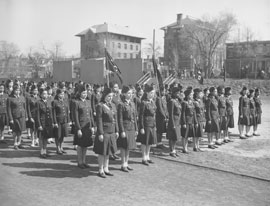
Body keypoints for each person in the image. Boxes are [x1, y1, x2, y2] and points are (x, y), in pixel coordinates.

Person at [93, 88, 119, 178]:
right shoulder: (100, 106)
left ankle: (106, 168)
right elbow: (99, 120)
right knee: (102, 151)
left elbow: (116, 119)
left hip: (111, 130)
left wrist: (116, 130)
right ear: (104, 96)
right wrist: (100, 133)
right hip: (104, 131)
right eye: (108, 96)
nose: (110, 98)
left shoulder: (113, 105)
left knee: (108, 151)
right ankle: (100, 169)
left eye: (111, 96)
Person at [117, 85, 138, 172]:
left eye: (131, 93)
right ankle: (123, 164)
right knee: (123, 146)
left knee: (128, 146)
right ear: (124, 94)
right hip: (125, 127)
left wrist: (136, 129)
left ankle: (126, 163)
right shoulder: (121, 105)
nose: (130, 95)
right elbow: (120, 119)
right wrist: (122, 130)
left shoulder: (132, 104)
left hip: (131, 127)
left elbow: (134, 117)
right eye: (128, 93)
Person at [73, 85, 95, 168]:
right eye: (83, 93)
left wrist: (92, 126)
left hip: (87, 126)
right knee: (80, 145)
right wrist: (78, 129)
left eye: (86, 93)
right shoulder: (76, 102)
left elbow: (91, 115)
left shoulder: (88, 102)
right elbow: (75, 117)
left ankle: (84, 161)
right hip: (81, 127)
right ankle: (80, 162)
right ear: (79, 93)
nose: (85, 94)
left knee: (85, 145)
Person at [137, 85, 157, 165]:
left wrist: (155, 125)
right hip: (146, 123)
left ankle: (148, 156)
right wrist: (141, 127)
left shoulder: (152, 102)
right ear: (147, 93)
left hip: (152, 123)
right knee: (145, 141)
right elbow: (141, 115)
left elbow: (154, 114)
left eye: (153, 93)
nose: (152, 94)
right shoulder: (143, 103)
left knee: (150, 141)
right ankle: (143, 157)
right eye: (151, 93)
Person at [7, 84, 27, 150]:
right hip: (15, 116)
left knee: (20, 130)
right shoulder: (10, 98)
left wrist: (26, 116)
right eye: (16, 90)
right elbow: (8, 109)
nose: (17, 91)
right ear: (13, 91)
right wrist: (10, 118)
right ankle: (15, 144)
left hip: (22, 116)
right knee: (15, 130)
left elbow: (25, 107)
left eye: (19, 90)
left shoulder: (22, 97)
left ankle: (19, 143)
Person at [52, 88, 71, 155]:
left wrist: (68, 120)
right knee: (58, 135)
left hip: (64, 120)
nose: (62, 95)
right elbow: (53, 113)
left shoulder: (65, 101)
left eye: (63, 94)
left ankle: (61, 147)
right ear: (57, 94)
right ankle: (58, 148)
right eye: (61, 94)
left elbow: (67, 112)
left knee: (62, 134)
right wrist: (55, 122)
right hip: (58, 120)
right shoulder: (55, 102)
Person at [36, 88, 53, 158]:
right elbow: (37, 115)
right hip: (42, 122)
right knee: (41, 138)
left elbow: (50, 113)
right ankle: (41, 152)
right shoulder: (38, 103)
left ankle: (45, 151)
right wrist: (39, 124)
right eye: (43, 94)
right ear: (40, 95)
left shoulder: (49, 102)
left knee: (46, 137)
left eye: (46, 93)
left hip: (48, 122)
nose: (45, 95)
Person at [181, 88, 198, 153]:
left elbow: (194, 113)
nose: (192, 95)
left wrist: (195, 121)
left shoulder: (192, 103)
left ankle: (186, 147)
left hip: (192, 120)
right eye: (191, 94)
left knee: (188, 135)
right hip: (186, 120)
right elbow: (183, 113)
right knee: (184, 135)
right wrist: (183, 122)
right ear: (187, 95)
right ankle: (184, 148)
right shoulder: (184, 103)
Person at [166, 87, 182, 157]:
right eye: (177, 93)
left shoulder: (177, 101)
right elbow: (171, 113)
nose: (178, 94)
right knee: (172, 136)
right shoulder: (171, 101)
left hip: (178, 120)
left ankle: (174, 149)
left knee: (176, 137)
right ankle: (171, 150)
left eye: (179, 93)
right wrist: (172, 124)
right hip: (173, 120)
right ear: (174, 93)